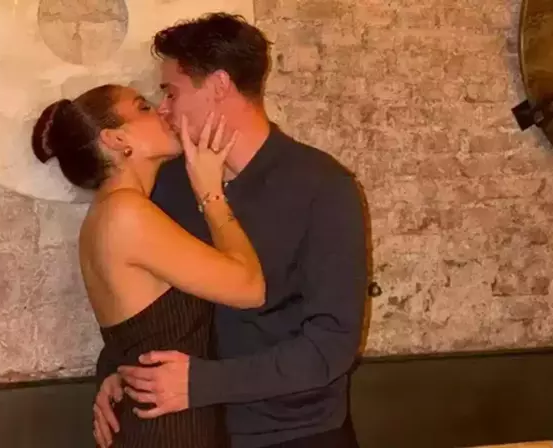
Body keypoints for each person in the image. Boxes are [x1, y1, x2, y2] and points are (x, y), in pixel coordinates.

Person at [93, 12, 368, 448]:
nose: (163, 110)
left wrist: (203, 383)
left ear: (219, 85)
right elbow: (150, 308)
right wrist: (116, 372)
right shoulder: (167, 185)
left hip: (299, 434)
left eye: (171, 92)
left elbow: (330, 346)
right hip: (193, 430)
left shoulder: (322, 186)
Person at [31, 84, 266, 447]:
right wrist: (211, 194)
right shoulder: (127, 214)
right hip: (169, 430)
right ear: (116, 139)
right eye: (143, 107)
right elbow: (250, 288)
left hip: (156, 421)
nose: (162, 110)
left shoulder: (110, 213)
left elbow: (136, 335)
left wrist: (114, 375)